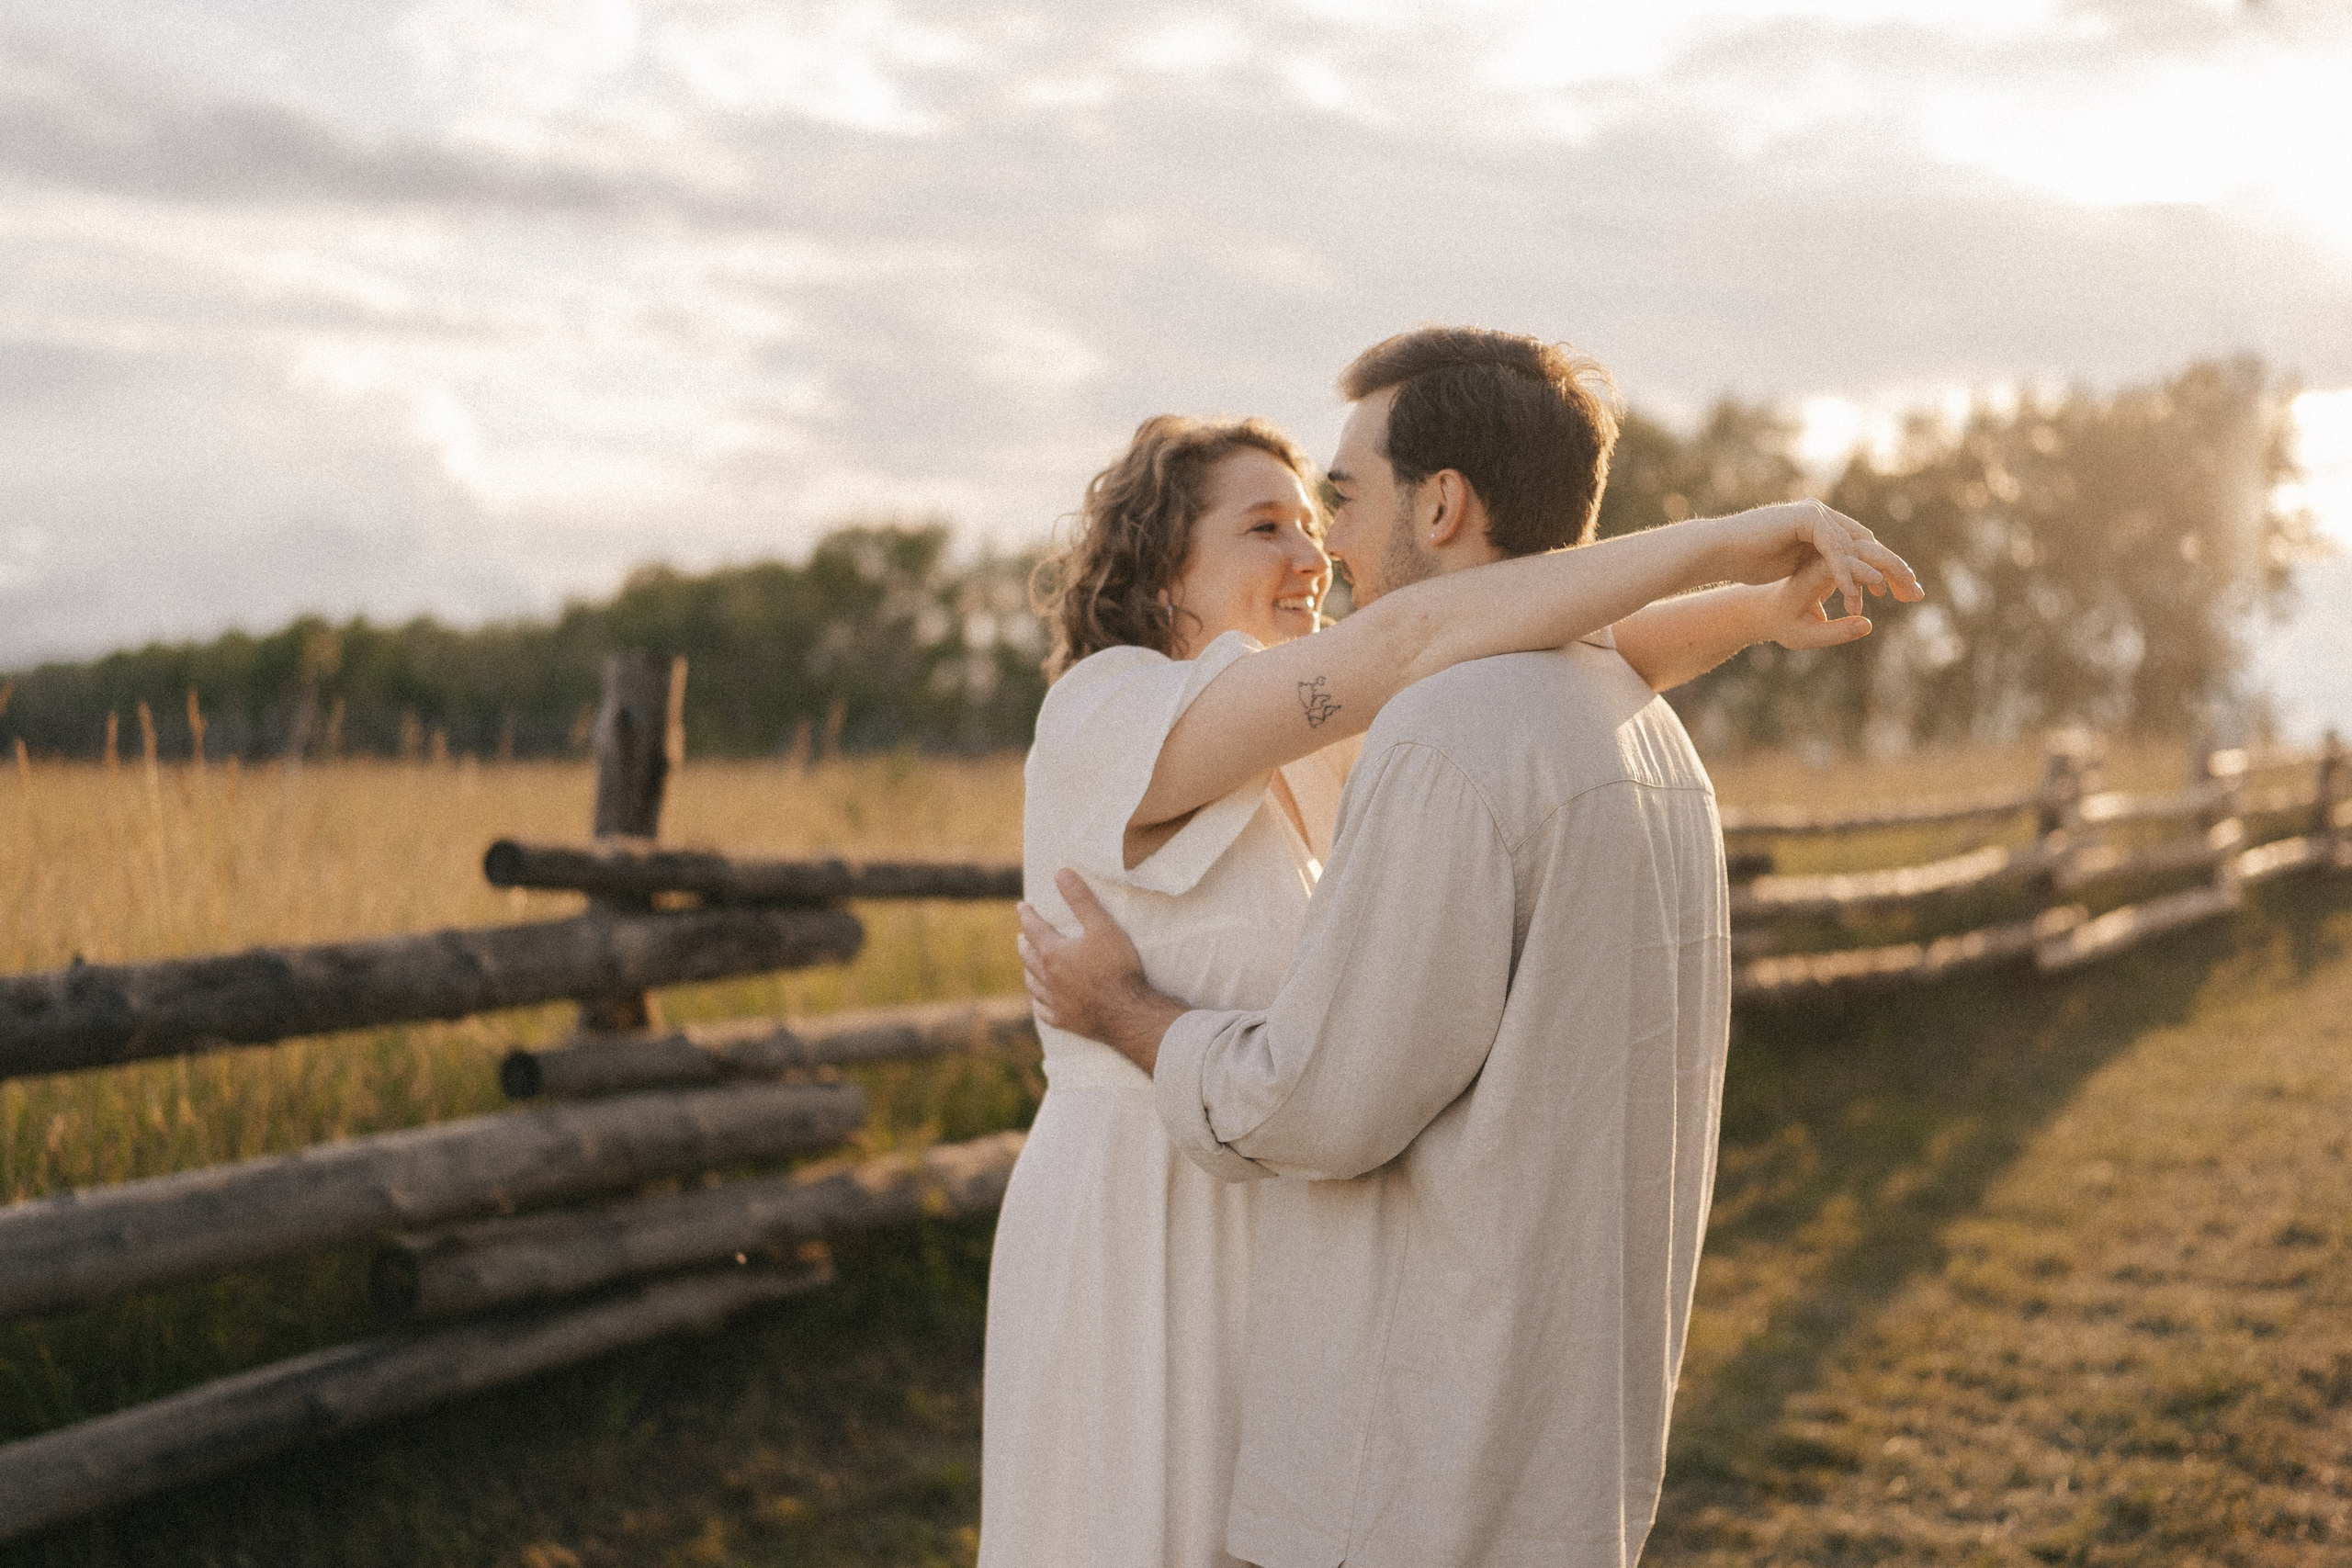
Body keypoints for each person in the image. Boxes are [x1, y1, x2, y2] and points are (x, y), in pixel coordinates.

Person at [1015, 328, 1926, 1568]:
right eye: (1265, 527)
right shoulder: (1107, 709)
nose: (1314, 550)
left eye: (1317, 512)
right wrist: (1730, 532)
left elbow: (1575, 658)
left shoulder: (1321, 726)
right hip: (1147, 1222)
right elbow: (1424, 643)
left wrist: (1757, 608)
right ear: (1158, 564)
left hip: (1278, 1212)